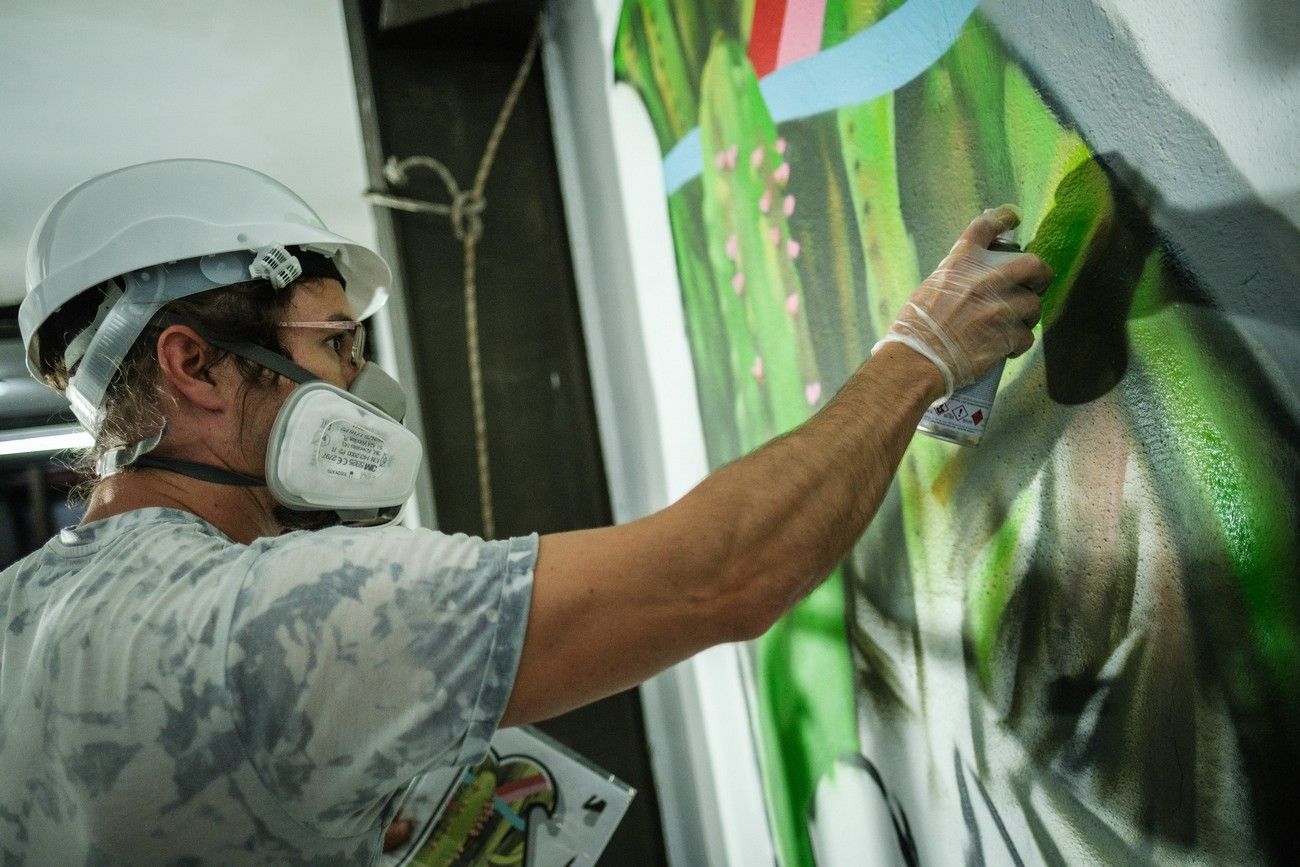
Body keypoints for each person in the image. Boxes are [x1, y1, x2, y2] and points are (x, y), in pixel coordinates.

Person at [0, 159, 1050, 864]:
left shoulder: (20, 613)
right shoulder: (279, 620)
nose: (361, 392)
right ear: (196, 366)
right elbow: (722, 574)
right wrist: (920, 355)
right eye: (332, 345)